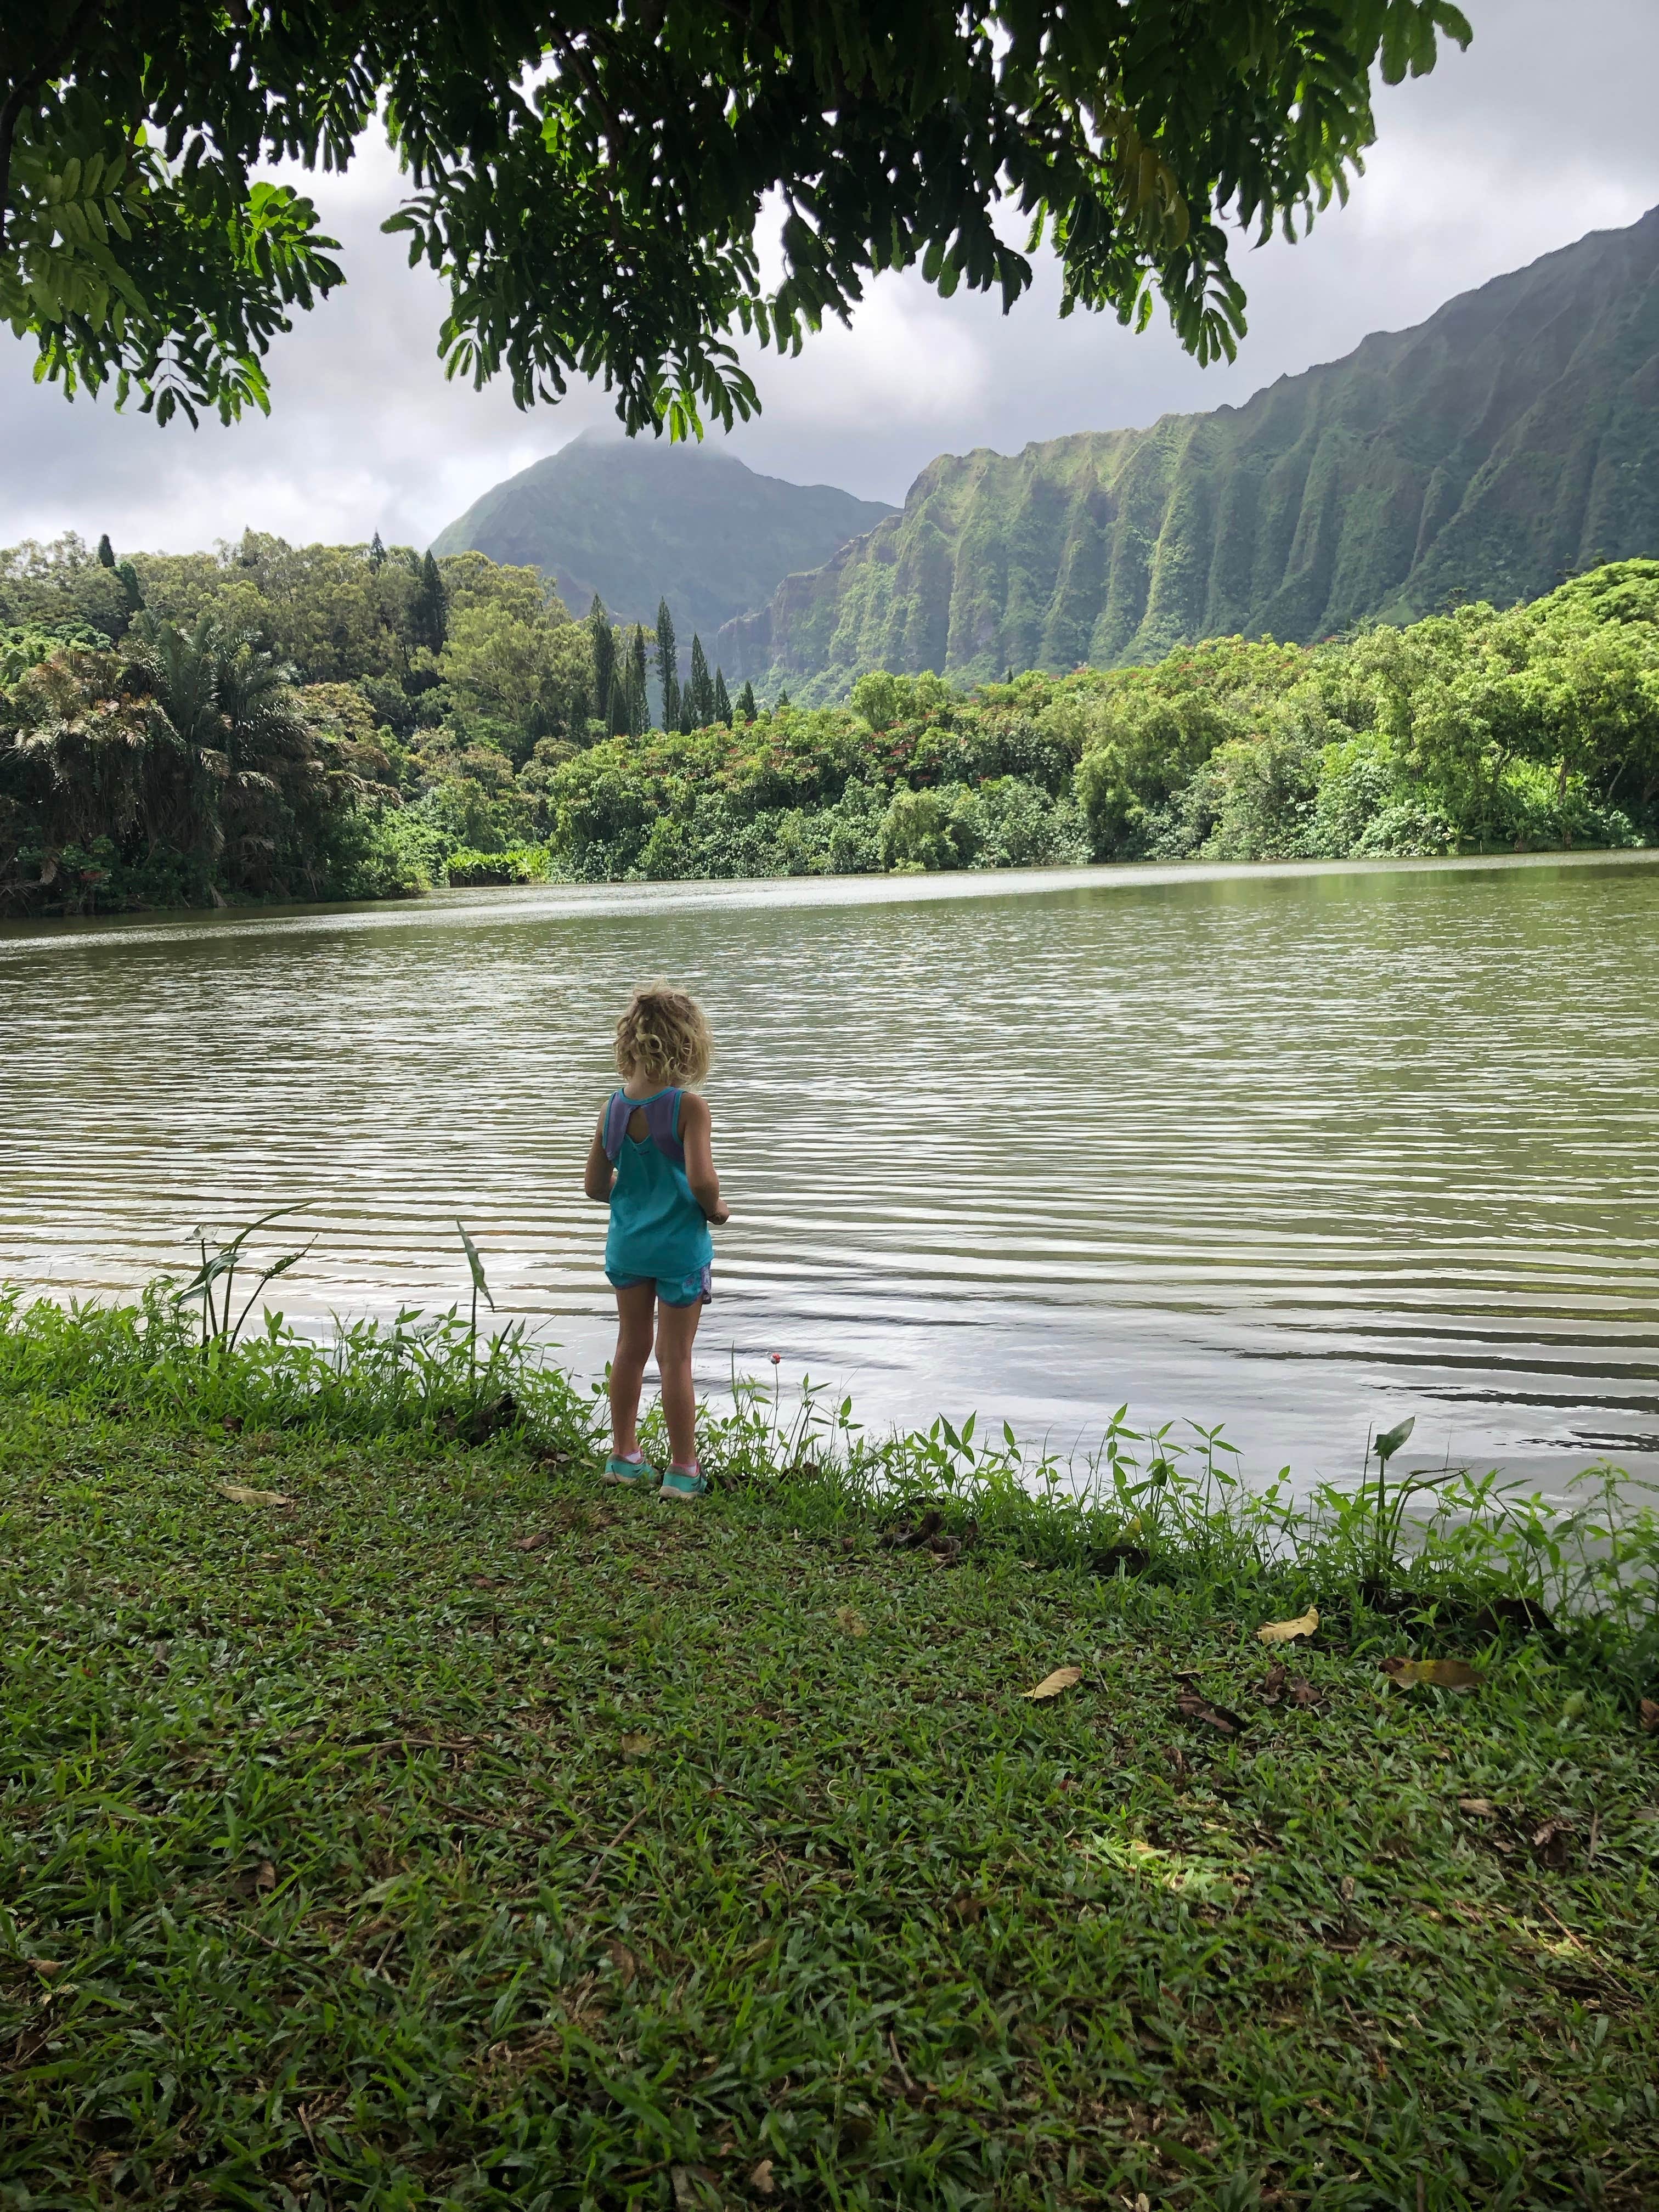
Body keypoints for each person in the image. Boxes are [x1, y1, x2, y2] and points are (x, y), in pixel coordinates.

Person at [584, 983, 729, 1498]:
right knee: (675, 1359)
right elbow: (702, 1179)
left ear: (631, 1044)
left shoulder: (613, 1109)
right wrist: (715, 1209)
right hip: (678, 1253)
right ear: (687, 1045)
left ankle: (624, 1455)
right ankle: (682, 1469)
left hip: (628, 1249)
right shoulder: (689, 1107)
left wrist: (633, 1199)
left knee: (630, 1348)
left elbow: (595, 1186)